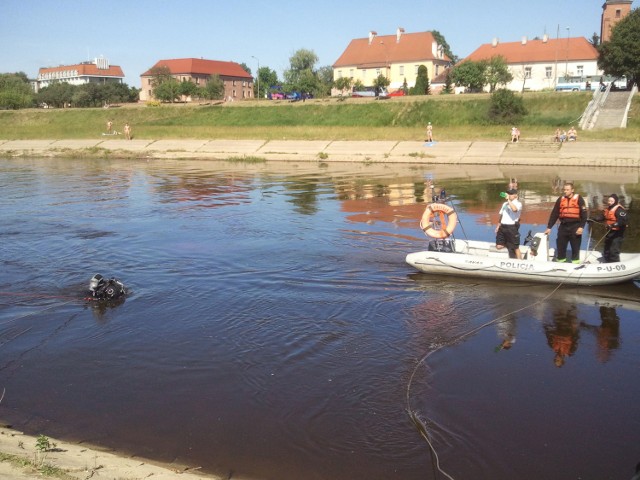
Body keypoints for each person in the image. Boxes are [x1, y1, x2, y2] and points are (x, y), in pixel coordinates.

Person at [544, 182, 588, 263]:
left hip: (575, 226)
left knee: (575, 247)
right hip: (563, 226)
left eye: (567, 190)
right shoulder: (560, 199)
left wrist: (581, 227)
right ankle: (561, 262)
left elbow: (584, 215)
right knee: (560, 246)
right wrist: (549, 227)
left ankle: (575, 263)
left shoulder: (579, 199)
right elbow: (554, 214)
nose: (565, 191)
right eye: (564, 190)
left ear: (572, 190)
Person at [590, 193, 628, 263]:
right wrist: (593, 219)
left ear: (615, 201)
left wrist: (613, 225)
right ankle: (607, 261)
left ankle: (615, 263)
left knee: (614, 249)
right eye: (609, 201)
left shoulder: (619, 210)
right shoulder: (608, 209)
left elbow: (622, 221)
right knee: (607, 248)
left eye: (611, 201)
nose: (610, 202)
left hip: (617, 233)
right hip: (609, 231)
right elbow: (602, 217)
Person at [495, 188, 523, 259]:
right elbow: (501, 215)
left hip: (512, 227)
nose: (508, 195)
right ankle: (508, 252)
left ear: (515, 195)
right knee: (499, 246)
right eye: (508, 194)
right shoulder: (505, 204)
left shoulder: (518, 204)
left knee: (515, 247)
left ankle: (520, 261)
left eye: (510, 194)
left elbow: (514, 209)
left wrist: (508, 200)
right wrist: (498, 225)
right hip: (503, 226)